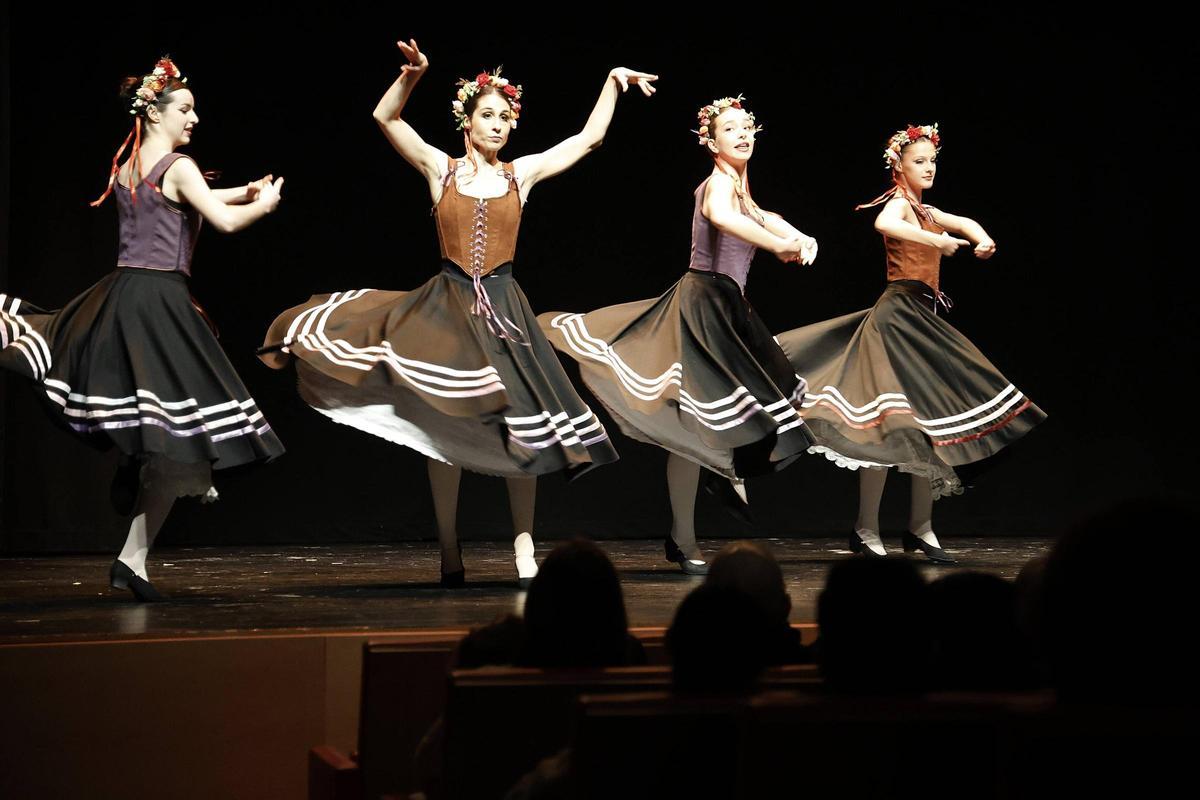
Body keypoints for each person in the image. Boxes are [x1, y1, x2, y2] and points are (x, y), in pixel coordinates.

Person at [260, 40, 654, 586]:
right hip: (447, 307)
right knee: (444, 422)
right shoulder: (440, 169)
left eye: (505, 118)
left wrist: (611, 81)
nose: (498, 126)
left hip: (504, 309)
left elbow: (588, 139)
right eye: (488, 116)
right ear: (466, 121)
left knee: (525, 425)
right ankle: (448, 547)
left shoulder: (520, 174)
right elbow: (385, 117)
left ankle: (523, 546)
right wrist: (413, 74)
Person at [0, 56, 285, 600]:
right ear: (155, 113)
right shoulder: (180, 165)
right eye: (185, 109)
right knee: (186, 437)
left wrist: (241, 190)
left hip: (124, 294)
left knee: (166, 428)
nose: (194, 118)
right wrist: (264, 205)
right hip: (161, 303)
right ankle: (135, 502)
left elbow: (181, 200)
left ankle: (133, 526)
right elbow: (220, 220)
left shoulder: (128, 167)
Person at [539, 95, 817, 573]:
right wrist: (778, 244)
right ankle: (690, 525)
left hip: (730, 307)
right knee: (696, 421)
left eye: (746, 126)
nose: (742, 134)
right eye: (729, 129)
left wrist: (801, 236)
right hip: (702, 306)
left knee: (753, 402)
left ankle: (716, 479)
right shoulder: (716, 186)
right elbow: (724, 217)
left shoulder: (743, 191)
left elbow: (764, 216)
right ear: (710, 141)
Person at [776, 124, 1045, 562]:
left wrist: (982, 239)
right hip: (896, 319)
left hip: (922, 319)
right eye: (919, 161)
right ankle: (866, 528)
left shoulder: (928, 210)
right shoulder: (899, 204)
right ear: (898, 166)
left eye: (932, 161)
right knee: (885, 423)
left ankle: (921, 528)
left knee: (927, 422)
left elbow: (965, 222)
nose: (929, 167)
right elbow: (883, 223)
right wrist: (935, 239)